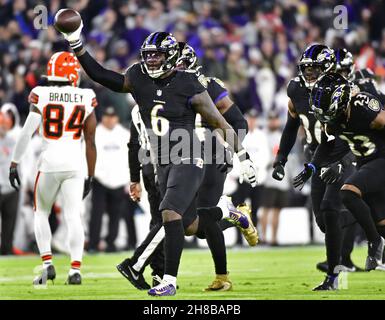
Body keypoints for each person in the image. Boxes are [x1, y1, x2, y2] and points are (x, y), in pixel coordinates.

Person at [59, 22, 258, 296]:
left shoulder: (189, 84)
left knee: (168, 212)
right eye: (149, 54)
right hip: (161, 160)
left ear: (172, 56)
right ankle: (228, 212)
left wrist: (243, 156)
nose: (152, 59)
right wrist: (76, 43)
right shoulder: (138, 76)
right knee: (188, 226)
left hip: (188, 155)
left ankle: (168, 281)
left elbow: (219, 121)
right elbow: (102, 75)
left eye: (158, 55)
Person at [117, 43, 255, 292]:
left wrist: (228, 149)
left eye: (181, 64)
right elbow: (135, 139)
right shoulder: (156, 85)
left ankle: (214, 275)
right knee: (190, 224)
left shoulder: (206, 85)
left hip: (209, 159)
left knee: (183, 217)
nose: (175, 69)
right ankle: (230, 214)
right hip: (174, 158)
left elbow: (236, 121)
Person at [272, 44, 357, 291]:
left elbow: (355, 131)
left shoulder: (342, 90)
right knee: (323, 220)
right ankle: (368, 218)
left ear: (328, 68)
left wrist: (342, 163)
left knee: (330, 209)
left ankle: (333, 277)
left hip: (344, 151)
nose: (309, 73)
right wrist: (281, 159)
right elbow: (291, 126)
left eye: (315, 68)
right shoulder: (296, 89)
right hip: (316, 155)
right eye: (306, 69)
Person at [9, 51, 97, 285]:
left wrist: (14, 162)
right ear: (72, 74)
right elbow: (90, 139)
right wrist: (91, 174)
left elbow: (27, 132)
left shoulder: (41, 93)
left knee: (41, 213)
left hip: (49, 163)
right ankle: (75, 269)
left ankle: (48, 264)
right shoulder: (86, 96)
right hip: (76, 164)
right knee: (73, 216)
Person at [301, 73, 385, 276]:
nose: (327, 116)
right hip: (366, 163)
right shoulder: (333, 118)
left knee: (348, 191)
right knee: (381, 223)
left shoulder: (362, 104)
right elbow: (326, 143)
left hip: (381, 160)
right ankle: (334, 276)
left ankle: (374, 243)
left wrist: (343, 163)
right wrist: (312, 167)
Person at [88, 106, 131, 253]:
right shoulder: (95, 133)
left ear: (117, 118)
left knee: (116, 214)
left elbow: (130, 157)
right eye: (107, 116)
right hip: (100, 180)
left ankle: (111, 243)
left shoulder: (124, 134)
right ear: (102, 118)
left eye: (112, 117)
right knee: (96, 214)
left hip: (119, 180)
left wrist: (128, 178)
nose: (110, 119)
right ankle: (93, 243)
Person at [259, 111, 290, 246]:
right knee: (266, 208)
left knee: (277, 209)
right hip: (268, 178)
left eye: (275, 119)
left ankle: (274, 238)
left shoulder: (283, 136)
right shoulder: (264, 136)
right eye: (271, 119)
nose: (273, 122)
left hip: (282, 180)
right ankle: (264, 237)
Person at [0, 111, 18, 255]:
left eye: (5, 124)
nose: (3, 127)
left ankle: (7, 250)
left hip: (10, 188)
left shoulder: (12, 141)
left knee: (9, 223)